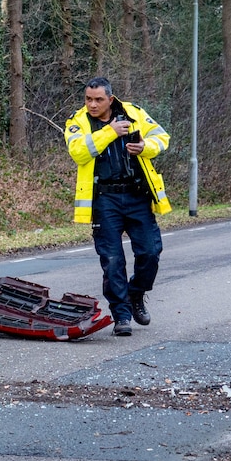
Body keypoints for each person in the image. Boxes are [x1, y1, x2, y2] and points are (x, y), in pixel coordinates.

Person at [64, 77, 171, 336]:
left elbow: (161, 137)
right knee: (112, 261)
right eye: (88, 99)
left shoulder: (133, 112)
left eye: (98, 100)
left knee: (150, 252)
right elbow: (78, 152)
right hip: (105, 199)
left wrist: (145, 147)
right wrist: (110, 131)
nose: (92, 104)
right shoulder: (77, 121)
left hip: (137, 194)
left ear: (110, 99)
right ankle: (121, 315)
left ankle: (136, 293)